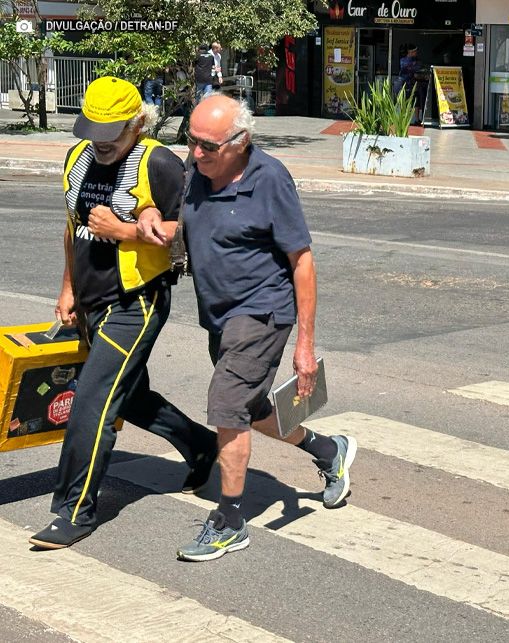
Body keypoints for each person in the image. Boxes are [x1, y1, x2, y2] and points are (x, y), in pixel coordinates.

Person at [137, 95, 356, 561]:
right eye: (190, 141)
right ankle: (328, 450)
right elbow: (194, 223)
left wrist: (305, 344)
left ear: (241, 142)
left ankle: (230, 520)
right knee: (250, 409)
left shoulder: (270, 179)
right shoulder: (198, 170)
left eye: (207, 146)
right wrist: (152, 219)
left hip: (263, 313)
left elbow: (303, 261)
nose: (195, 153)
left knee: (226, 405)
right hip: (219, 315)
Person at [28, 77, 219, 550]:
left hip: (135, 302)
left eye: (112, 129)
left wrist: (125, 231)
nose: (102, 139)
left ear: (138, 122)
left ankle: (73, 511)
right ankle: (199, 445)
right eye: (93, 128)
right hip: (90, 301)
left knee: (91, 402)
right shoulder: (79, 158)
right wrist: (67, 288)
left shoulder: (158, 163)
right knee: (128, 395)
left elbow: (196, 234)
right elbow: (73, 229)